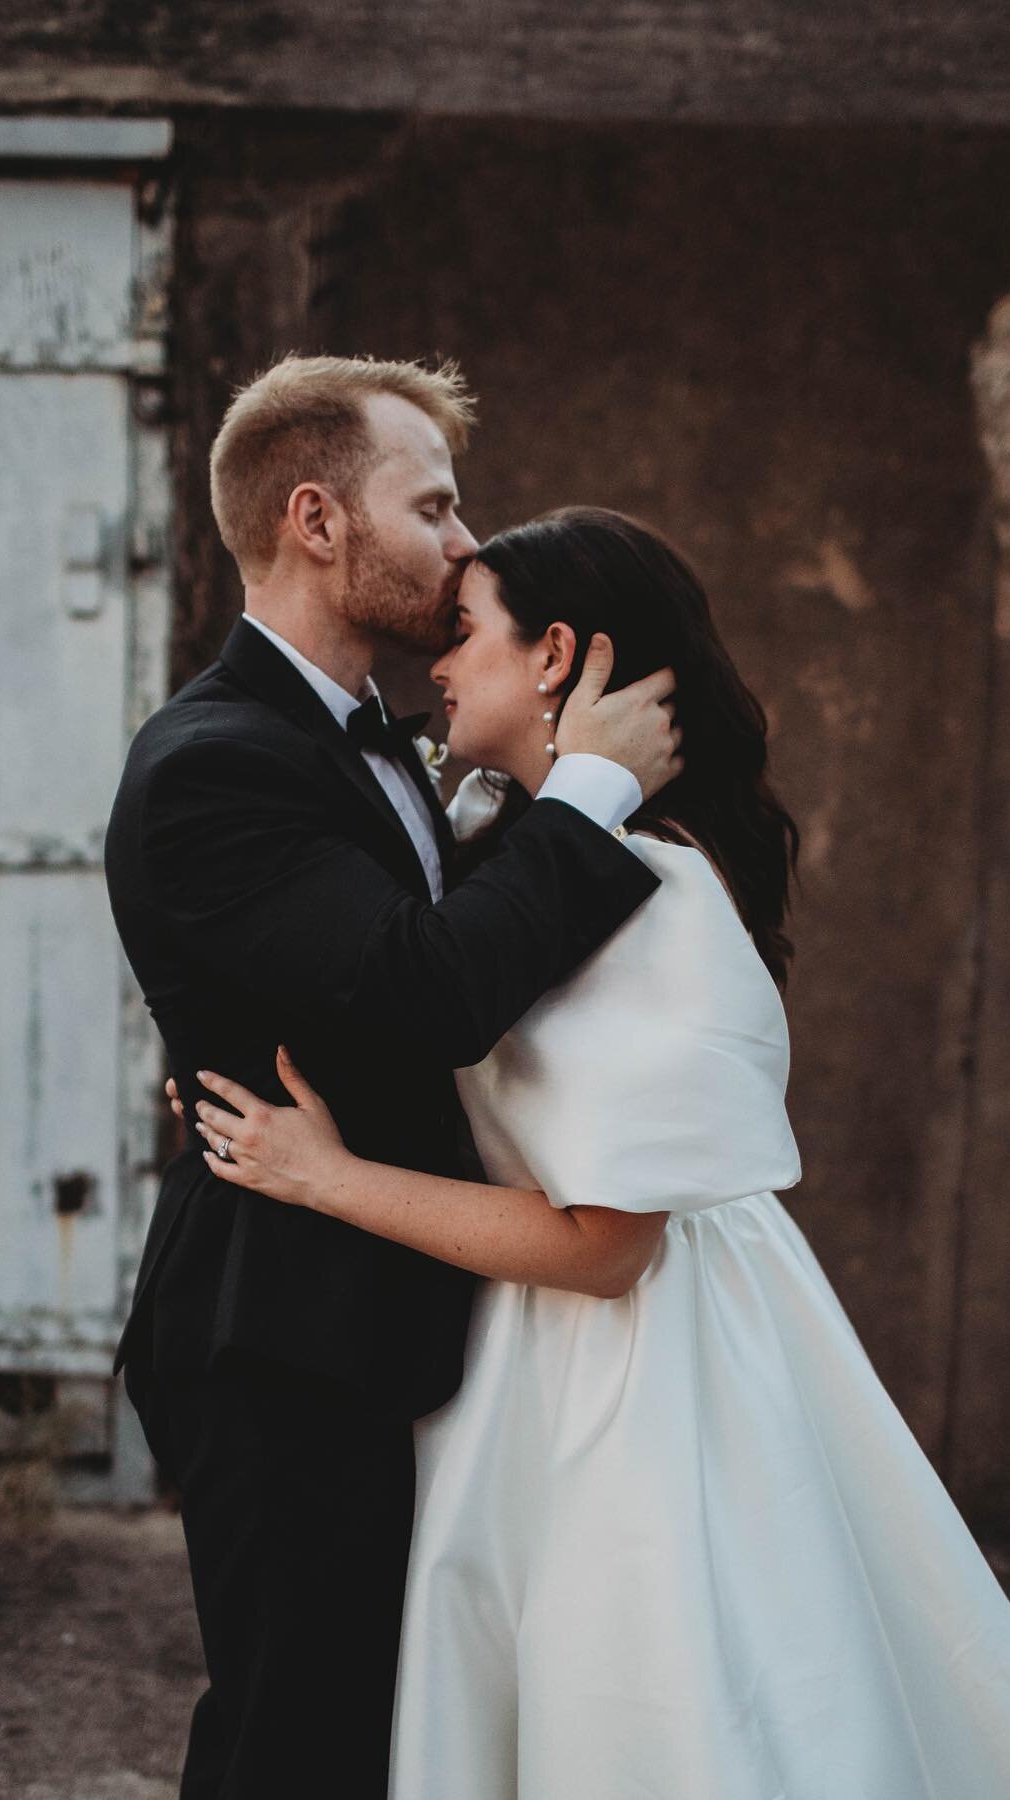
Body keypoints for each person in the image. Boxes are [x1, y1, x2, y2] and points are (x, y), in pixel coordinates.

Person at [184, 508, 1010, 1800]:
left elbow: (611, 1248)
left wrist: (325, 1178)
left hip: (626, 1388)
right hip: (535, 1361)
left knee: (643, 1705)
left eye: (465, 634)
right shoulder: (556, 867)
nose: (437, 666)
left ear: (555, 655)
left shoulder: (652, 897)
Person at [104, 361, 682, 1798]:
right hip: (282, 1328)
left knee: (379, 1728)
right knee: (295, 1738)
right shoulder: (211, 764)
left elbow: (395, 971)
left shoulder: (367, 742)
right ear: (315, 519)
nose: (467, 541)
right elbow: (428, 992)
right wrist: (594, 792)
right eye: (432, 505)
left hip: (386, 1304)